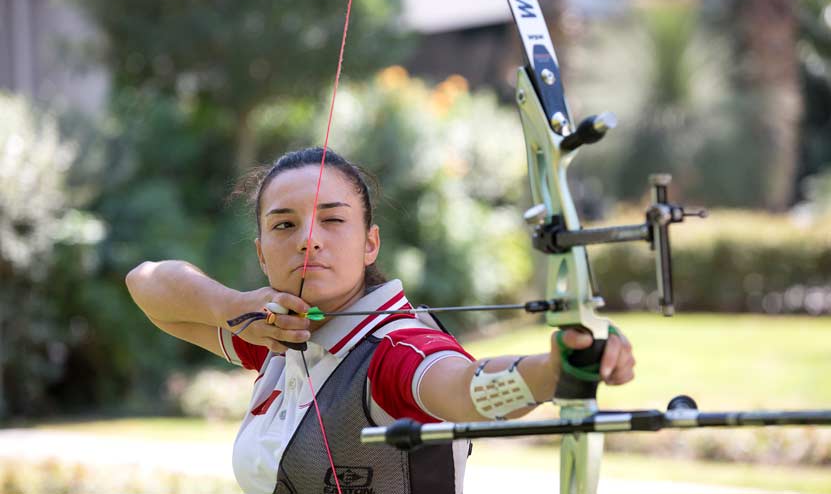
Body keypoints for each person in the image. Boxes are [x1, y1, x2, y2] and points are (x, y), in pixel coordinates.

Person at [125, 146, 635, 494]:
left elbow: (462, 389)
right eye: (285, 224)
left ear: (370, 243)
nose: (308, 239)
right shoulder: (280, 338)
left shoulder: (396, 351)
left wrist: (554, 371)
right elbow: (146, 284)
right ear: (262, 253)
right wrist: (232, 307)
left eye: (332, 219)